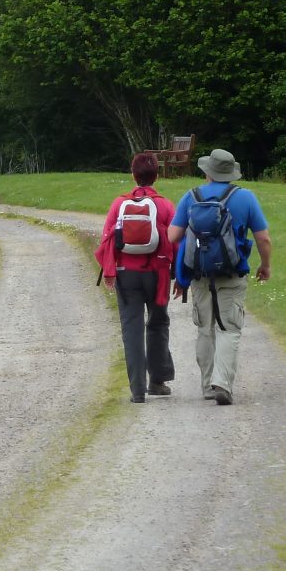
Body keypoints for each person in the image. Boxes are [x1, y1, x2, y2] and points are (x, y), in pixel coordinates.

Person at [166, 147, 273, 406]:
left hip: (201, 275)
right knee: (229, 328)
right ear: (231, 173)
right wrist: (265, 265)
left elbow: (172, 236)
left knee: (205, 329)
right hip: (232, 274)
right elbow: (263, 238)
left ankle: (207, 387)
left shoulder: (191, 196)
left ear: (208, 173)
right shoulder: (245, 198)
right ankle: (222, 383)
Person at [94, 152, 176, 403]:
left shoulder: (119, 204)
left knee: (132, 329)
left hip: (126, 274)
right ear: (157, 176)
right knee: (158, 323)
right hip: (158, 274)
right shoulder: (165, 205)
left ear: (133, 174)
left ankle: (137, 391)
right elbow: (176, 240)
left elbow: (107, 237)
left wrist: (109, 271)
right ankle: (158, 382)